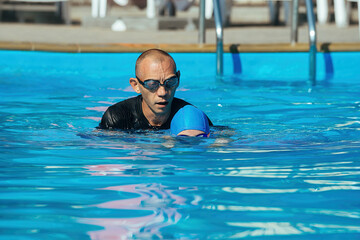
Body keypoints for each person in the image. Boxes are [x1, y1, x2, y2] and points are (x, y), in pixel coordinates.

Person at [98, 48, 212, 130]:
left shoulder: (191, 118)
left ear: (178, 79)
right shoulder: (117, 117)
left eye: (170, 82)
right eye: (152, 84)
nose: (163, 92)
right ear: (136, 85)